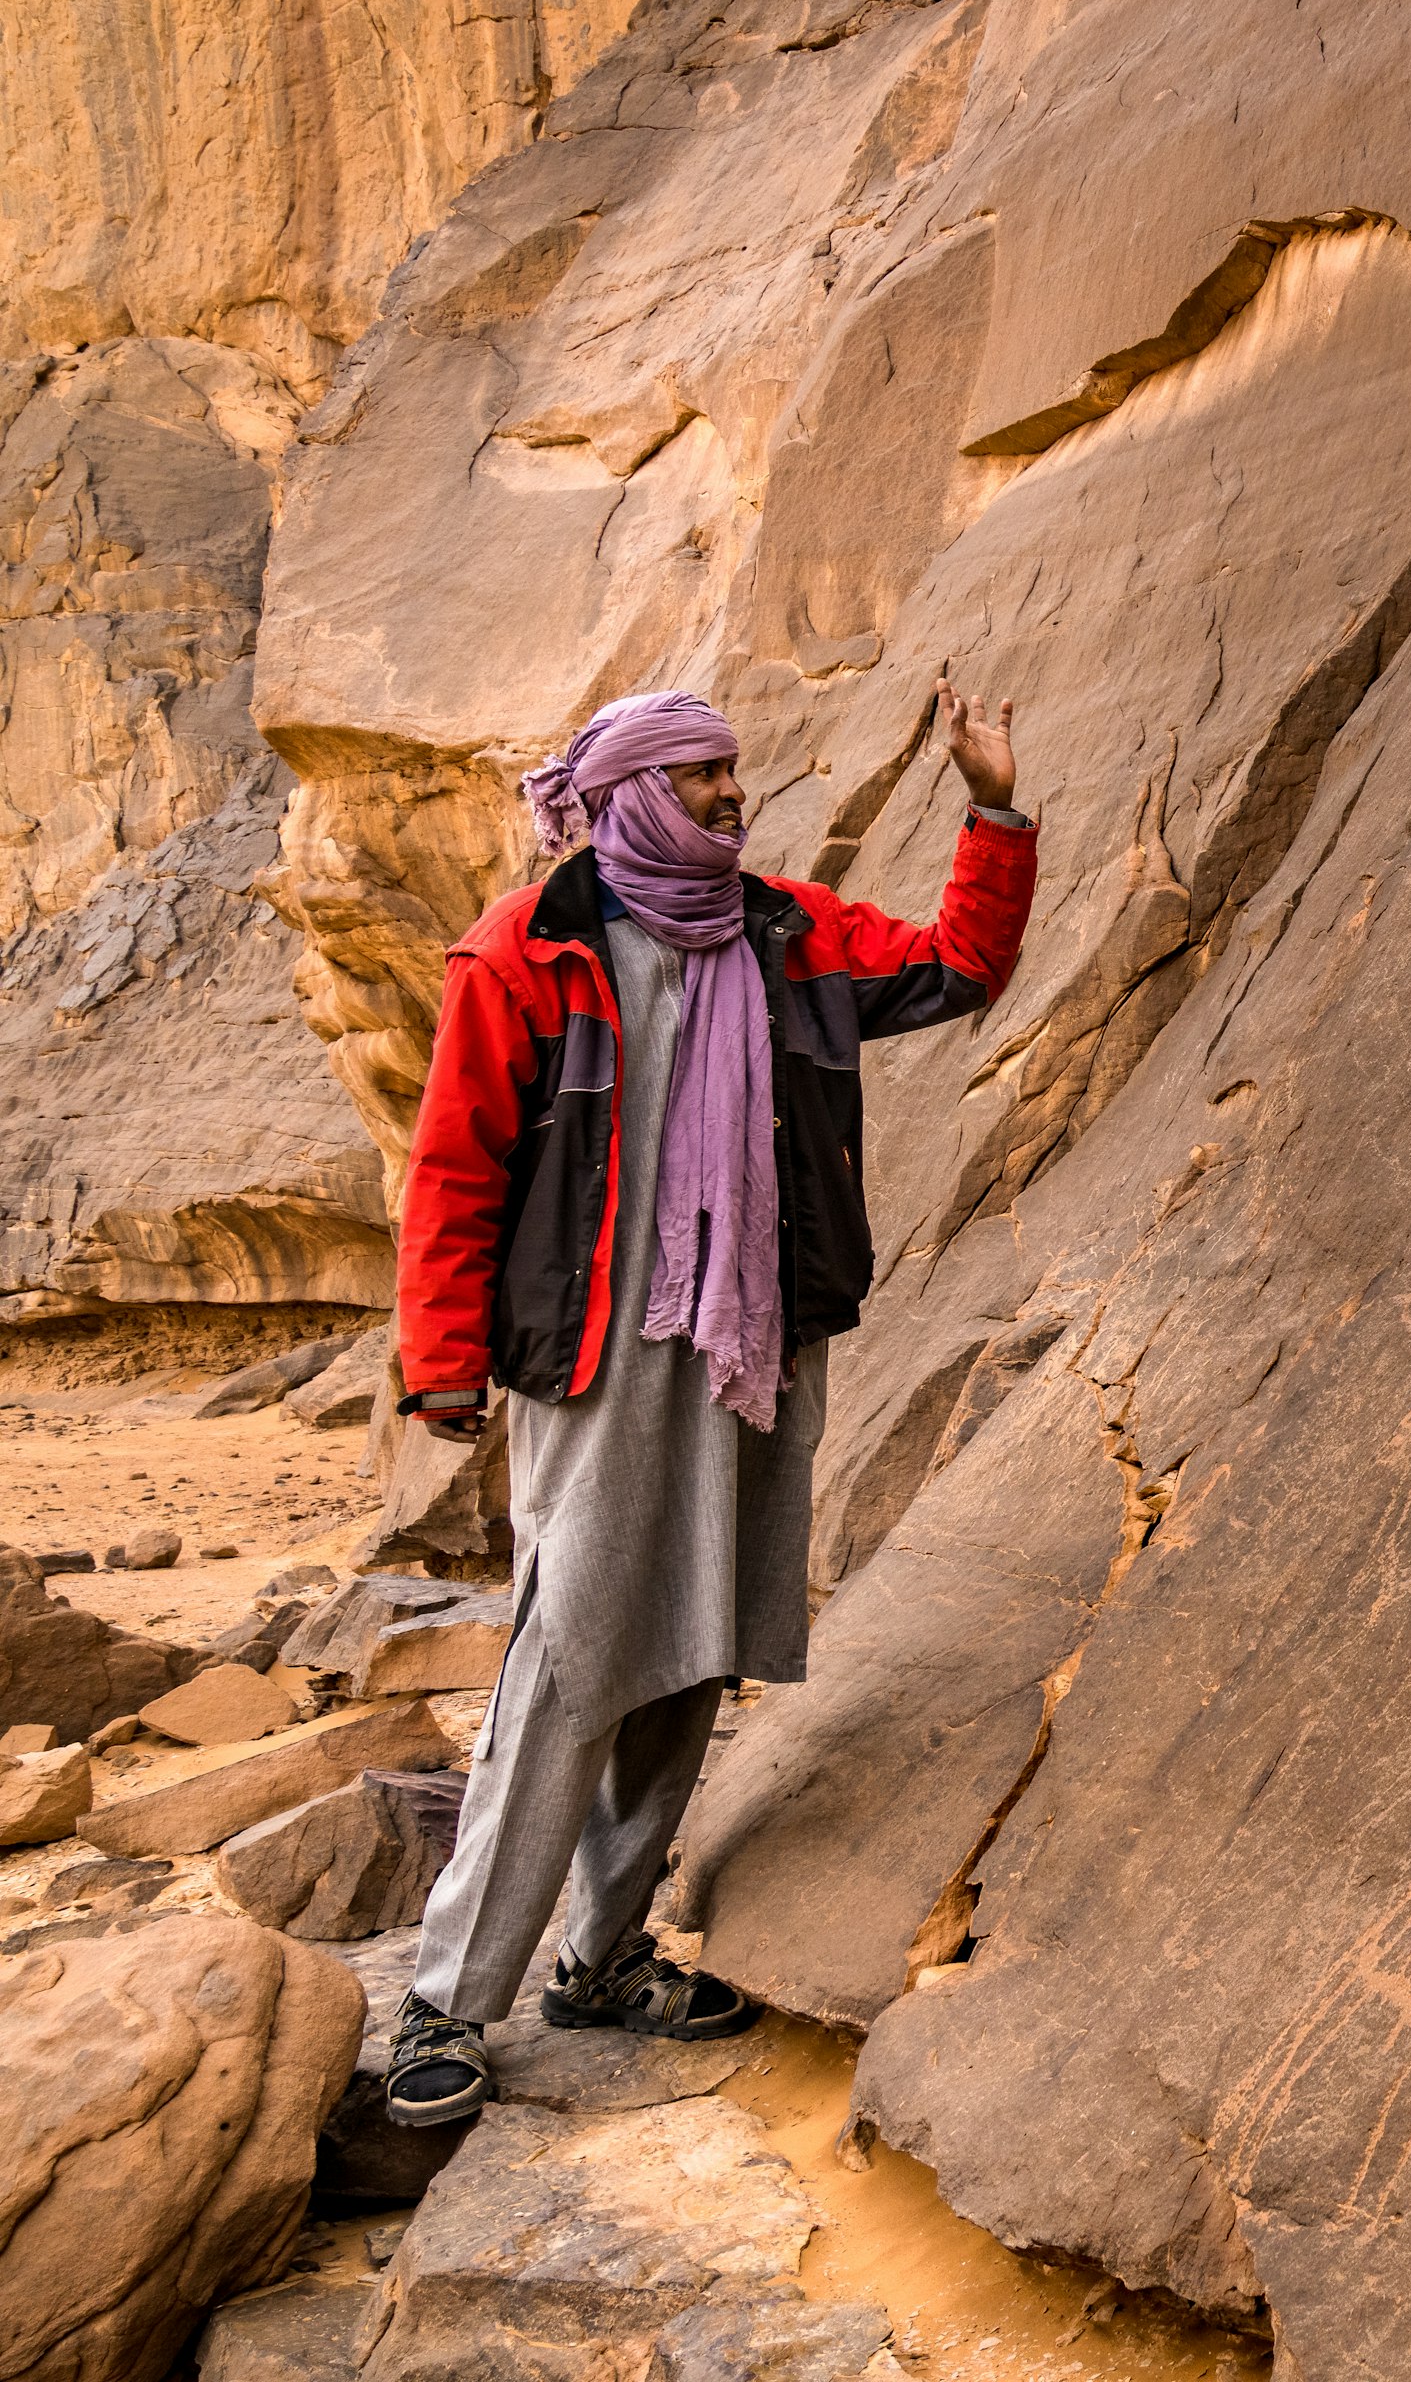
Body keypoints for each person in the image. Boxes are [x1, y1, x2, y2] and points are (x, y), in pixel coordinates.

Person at [378, 679, 1035, 2126]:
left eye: (735, 775)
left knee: (691, 1645)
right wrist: (438, 1363)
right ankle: (444, 1999)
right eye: (703, 779)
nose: (734, 800)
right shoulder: (527, 951)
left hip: (752, 1344)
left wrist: (990, 809)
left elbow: (954, 971)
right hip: (605, 1359)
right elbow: (458, 1167)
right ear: (631, 797)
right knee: (568, 1659)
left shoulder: (786, 931)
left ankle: (603, 1961)